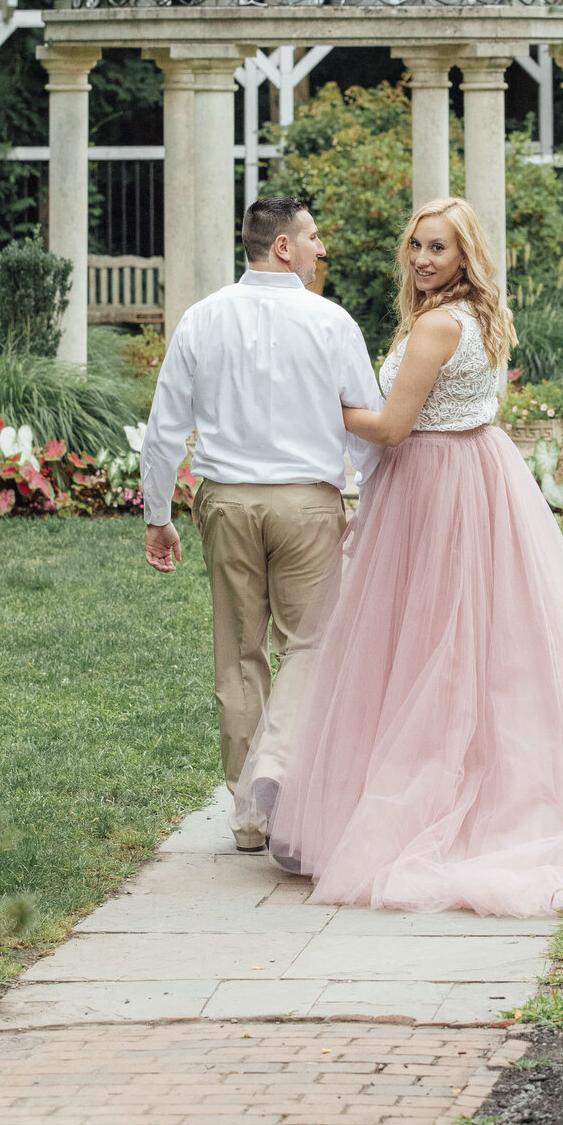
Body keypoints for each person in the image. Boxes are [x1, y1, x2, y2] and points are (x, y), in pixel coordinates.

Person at [234, 196, 563, 914]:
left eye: (437, 248)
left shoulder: (438, 326)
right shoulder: (475, 318)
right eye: (415, 246)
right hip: (477, 474)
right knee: (480, 640)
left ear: (465, 255)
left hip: (435, 487)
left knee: (430, 644)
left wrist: (318, 402)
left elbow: (391, 428)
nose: (421, 259)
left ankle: (442, 796)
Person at [141, 196, 381, 851]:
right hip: (307, 502)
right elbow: (369, 423)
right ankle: (276, 771)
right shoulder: (331, 322)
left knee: (239, 651)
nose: (319, 249)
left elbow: (164, 433)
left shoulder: (201, 319)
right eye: (311, 238)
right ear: (282, 247)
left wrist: (157, 516)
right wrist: (368, 501)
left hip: (225, 500)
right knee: (309, 644)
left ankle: (249, 816)